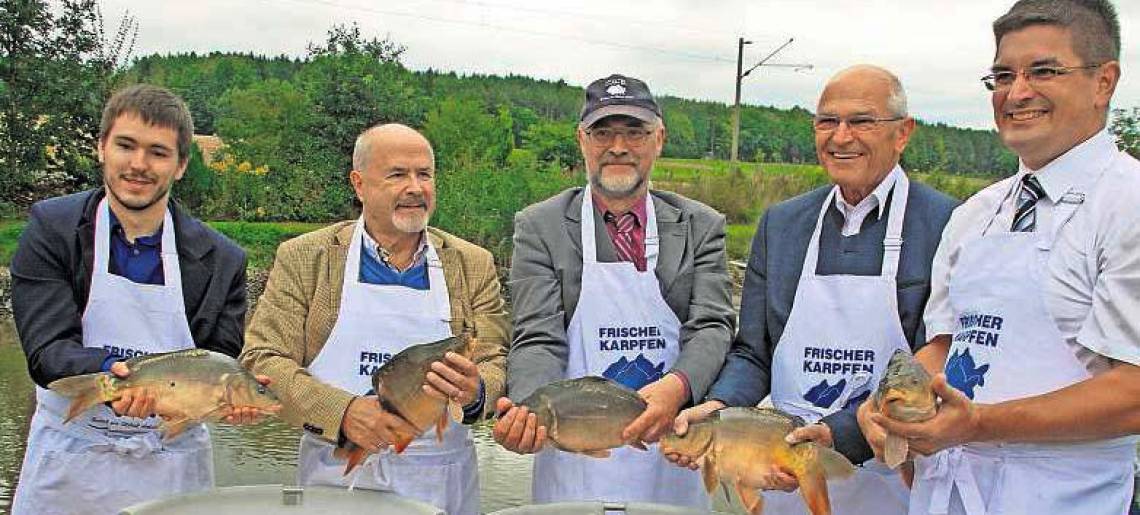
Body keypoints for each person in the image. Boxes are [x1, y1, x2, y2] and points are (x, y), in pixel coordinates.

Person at [864, 2, 1140, 514]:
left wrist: (981, 422)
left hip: (1061, 499)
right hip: (944, 495)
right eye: (1002, 76)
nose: (1017, 93)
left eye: (1044, 71)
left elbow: (1134, 391)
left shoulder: (1129, 204)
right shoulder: (976, 214)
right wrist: (885, 405)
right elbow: (946, 346)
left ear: (1104, 82)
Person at [667, 65, 957, 514]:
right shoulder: (782, 225)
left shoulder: (947, 225)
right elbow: (753, 352)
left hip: (897, 480)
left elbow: (934, 371)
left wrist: (840, 433)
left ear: (903, 133)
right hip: (784, 471)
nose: (841, 137)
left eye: (861, 121)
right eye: (827, 121)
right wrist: (721, 405)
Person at [10, 84, 255, 515]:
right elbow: (46, 352)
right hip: (69, 465)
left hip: (172, 465)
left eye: (158, 153)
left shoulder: (224, 260)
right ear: (101, 148)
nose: (139, 165)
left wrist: (229, 401)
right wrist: (113, 376)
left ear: (180, 165)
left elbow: (216, 359)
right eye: (126, 146)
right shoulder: (52, 230)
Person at [240, 123, 507, 515]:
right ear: (359, 183)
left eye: (424, 174)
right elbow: (262, 359)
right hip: (334, 479)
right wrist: (344, 412)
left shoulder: (472, 263)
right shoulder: (306, 257)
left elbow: (495, 363)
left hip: (438, 483)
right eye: (397, 174)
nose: (415, 187)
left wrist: (477, 392)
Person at [495, 74, 735, 507]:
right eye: (602, 132)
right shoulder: (541, 226)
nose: (618, 146)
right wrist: (529, 411)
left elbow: (712, 327)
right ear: (581, 140)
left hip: (672, 454)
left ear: (659, 139)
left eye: (635, 132)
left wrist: (678, 387)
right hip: (572, 457)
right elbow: (537, 336)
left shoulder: (702, 226)